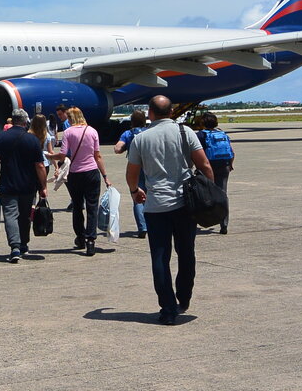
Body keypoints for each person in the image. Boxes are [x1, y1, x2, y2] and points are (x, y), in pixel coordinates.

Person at [127, 95, 213, 325]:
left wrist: (135, 191)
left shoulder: (141, 138)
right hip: (185, 204)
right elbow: (204, 165)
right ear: (172, 111)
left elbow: (132, 173)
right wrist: (210, 193)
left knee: (160, 257)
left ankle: (167, 308)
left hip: (156, 207)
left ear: (150, 113)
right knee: (186, 253)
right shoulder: (186, 133)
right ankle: (183, 298)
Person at [0, 109, 48, 263]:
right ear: (25, 121)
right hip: (28, 186)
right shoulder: (32, 140)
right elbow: (40, 166)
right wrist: (43, 186)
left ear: (13, 120)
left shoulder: (1, 137)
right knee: (25, 216)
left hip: (7, 185)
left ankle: (14, 247)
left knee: (10, 216)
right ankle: (23, 244)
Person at [59, 106, 112, 256]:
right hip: (91, 172)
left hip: (75, 174)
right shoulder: (92, 131)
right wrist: (105, 176)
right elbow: (98, 156)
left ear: (71, 118)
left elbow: (63, 154)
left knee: (77, 206)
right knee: (92, 207)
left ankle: (80, 237)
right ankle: (91, 240)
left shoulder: (68, 132)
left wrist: (52, 156)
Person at [197, 112, 234, 234]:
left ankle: (205, 218)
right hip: (224, 165)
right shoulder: (222, 133)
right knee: (223, 193)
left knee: (204, 194)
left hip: (208, 166)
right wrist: (230, 165)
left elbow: (197, 152)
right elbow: (232, 152)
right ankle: (224, 224)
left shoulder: (201, 135)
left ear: (203, 122)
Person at [114, 110, 149, 238]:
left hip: (135, 167)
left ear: (132, 121)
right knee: (151, 196)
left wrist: (125, 147)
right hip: (150, 167)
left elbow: (117, 149)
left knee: (137, 197)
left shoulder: (128, 133)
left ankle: (142, 227)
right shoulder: (149, 131)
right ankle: (153, 224)